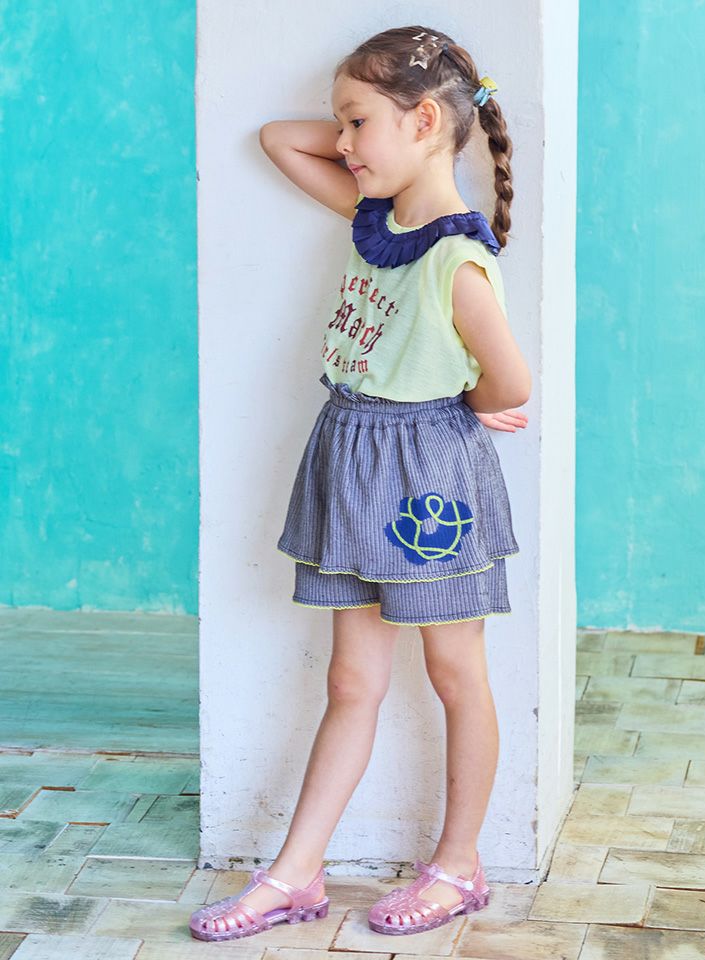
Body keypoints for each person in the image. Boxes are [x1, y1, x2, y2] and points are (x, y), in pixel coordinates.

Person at [189, 24, 530, 944]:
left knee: (456, 673)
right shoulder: (376, 219)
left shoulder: (456, 259)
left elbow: (512, 385)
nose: (339, 142)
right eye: (341, 123)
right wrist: (371, 132)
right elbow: (279, 140)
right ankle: (295, 873)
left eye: (357, 122)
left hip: (427, 481)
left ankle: (458, 865)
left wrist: (462, 403)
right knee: (352, 679)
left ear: (424, 122)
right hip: (350, 454)